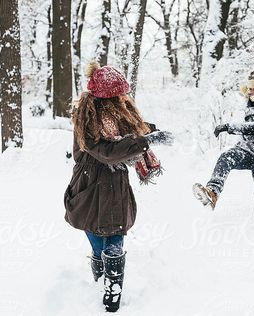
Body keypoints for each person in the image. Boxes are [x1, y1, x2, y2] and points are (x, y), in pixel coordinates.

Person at [63, 61, 173, 312]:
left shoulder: (118, 112)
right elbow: (107, 152)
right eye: (119, 92)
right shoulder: (87, 119)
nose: (124, 96)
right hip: (90, 189)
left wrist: (153, 132)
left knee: (114, 244)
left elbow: (134, 130)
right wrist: (145, 141)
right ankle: (98, 280)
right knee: (98, 243)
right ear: (106, 96)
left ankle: (112, 301)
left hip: (115, 188)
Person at [193, 70, 254, 228]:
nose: (251, 91)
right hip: (246, 150)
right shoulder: (251, 101)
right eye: (249, 88)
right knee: (226, 157)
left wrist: (229, 127)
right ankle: (212, 193)